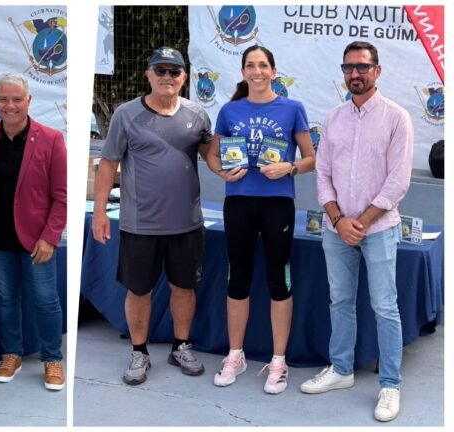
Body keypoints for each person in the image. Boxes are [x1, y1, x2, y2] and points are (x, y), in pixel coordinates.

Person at [301, 41, 413, 422]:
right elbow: (324, 174)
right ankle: (341, 371)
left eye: (362, 67)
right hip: (337, 230)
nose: (355, 74)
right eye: (348, 67)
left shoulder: (397, 118)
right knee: (340, 301)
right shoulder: (333, 118)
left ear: (377, 71)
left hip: (378, 228)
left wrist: (359, 222)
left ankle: (390, 385)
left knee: (385, 306)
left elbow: (397, 182)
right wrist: (337, 221)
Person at [92, 47, 212, 385]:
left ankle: (181, 346)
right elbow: (107, 165)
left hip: (187, 224)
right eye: (160, 70)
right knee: (139, 291)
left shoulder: (198, 115)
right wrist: (99, 212)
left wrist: (237, 166)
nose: (167, 77)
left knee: (184, 288)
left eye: (174, 72)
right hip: (139, 225)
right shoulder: (125, 115)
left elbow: (213, 157)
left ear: (184, 78)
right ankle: (139, 352)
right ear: (147, 75)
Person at [205, 45, 315, 394]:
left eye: (263, 65)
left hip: (277, 204)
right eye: (250, 65)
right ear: (242, 72)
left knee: (278, 282)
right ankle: (235, 355)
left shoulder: (292, 108)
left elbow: (311, 158)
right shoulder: (230, 110)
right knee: (237, 279)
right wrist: (222, 172)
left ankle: (278, 361)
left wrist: (289, 167)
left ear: (273, 71)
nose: (257, 71)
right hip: (238, 203)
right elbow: (212, 154)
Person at [0, 73, 67, 390]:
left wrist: (50, 238)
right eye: (4, 99)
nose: (10, 106)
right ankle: (11, 354)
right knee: (5, 299)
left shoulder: (52, 138)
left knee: (45, 301)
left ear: (29, 101)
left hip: (37, 240)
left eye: (17, 99)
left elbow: (62, 196)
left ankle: (52, 359)